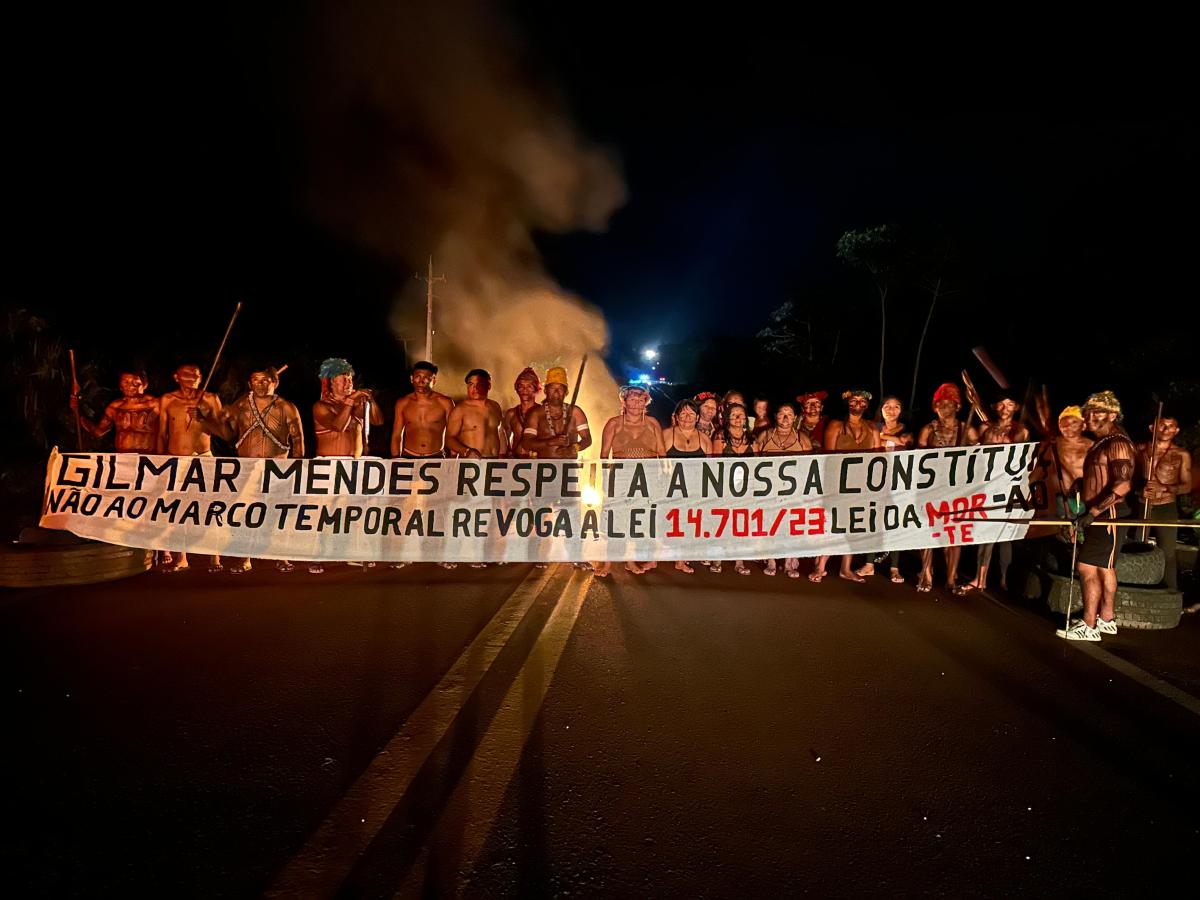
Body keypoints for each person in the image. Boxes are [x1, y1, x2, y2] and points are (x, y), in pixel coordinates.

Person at [196, 366, 303, 574]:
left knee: (277, 513)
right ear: (249, 384)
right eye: (256, 380)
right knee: (245, 513)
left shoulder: (286, 407)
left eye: (266, 381)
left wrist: (296, 467)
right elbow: (227, 434)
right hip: (246, 468)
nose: (261, 385)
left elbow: (298, 439)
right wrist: (207, 419)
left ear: (275, 382)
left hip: (277, 469)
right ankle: (245, 557)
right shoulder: (242, 406)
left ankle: (282, 556)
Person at [1057, 391, 1136, 640]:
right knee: (1103, 568)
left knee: (1087, 566)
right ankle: (1106, 618)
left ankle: (1089, 625)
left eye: (1097, 412)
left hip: (1108, 514)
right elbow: (1103, 477)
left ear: (1112, 415)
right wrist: (1082, 484)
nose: (1090, 417)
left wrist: (1091, 513)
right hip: (1101, 513)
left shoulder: (1117, 443)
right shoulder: (1102, 442)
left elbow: (1123, 485)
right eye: (1088, 412)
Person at [310, 358, 384, 574]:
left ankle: (356, 553)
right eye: (342, 380)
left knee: (356, 511)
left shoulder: (357, 403)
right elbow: (338, 426)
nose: (348, 383)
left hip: (354, 467)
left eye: (350, 379)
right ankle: (318, 556)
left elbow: (378, 421)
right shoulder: (321, 406)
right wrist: (351, 401)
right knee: (326, 514)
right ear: (330, 383)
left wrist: (370, 400)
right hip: (330, 467)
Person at [961, 393, 1031, 594]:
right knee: (985, 531)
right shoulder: (985, 428)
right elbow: (968, 447)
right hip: (986, 486)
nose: (1005, 408)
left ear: (1016, 407)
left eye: (1010, 404)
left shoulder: (1021, 430)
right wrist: (973, 410)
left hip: (1008, 488)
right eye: (1001, 404)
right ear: (995, 406)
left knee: (1005, 535)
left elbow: (1021, 456)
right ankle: (980, 577)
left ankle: (1003, 578)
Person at [157, 363, 224, 573]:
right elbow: (161, 433)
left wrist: (204, 419)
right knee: (177, 508)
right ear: (176, 376)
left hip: (204, 458)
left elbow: (224, 431)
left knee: (210, 506)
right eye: (186, 374)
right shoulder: (168, 400)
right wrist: (159, 463)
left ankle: (215, 556)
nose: (191, 378)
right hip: (176, 459)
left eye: (196, 375)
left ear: (201, 377)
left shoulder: (211, 399)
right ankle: (182, 556)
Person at [916, 383, 979, 593]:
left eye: (949, 404)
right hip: (932, 488)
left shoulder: (967, 429)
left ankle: (951, 576)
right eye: (940, 404)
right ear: (935, 407)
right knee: (928, 531)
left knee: (954, 534)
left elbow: (979, 458)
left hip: (957, 490)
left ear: (957, 406)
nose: (945, 407)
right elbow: (918, 460)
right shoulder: (927, 429)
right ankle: (926, 573)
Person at [595, 383, 663, 578]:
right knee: (615, 520)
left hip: (646, 478)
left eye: (640, 399)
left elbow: (662, 454)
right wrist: (603, 479)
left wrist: (661, 479)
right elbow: (603, 455)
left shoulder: (652, 424)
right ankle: (607, 562)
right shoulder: (614, 424)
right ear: (623, 402)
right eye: (631, 398)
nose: (636, 402)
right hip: (620, 478)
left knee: (637, 520)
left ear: (646, 402)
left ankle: (630, 560)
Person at [813, 390, 881, 583]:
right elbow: (829, 458)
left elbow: (878, 460)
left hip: (862, 486)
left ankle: (846, 568)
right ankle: (820, 566)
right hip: (840, 485)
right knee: (833, 525)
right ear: (847, 403)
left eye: (861, 401)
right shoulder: (836, 426)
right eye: (853, 400)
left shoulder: (872, 428)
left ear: (866, 406)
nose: (857, 404)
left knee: (853, 526)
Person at [754, 402, 814, 577]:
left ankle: (789, 561)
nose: (786, 418)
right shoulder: (764, 436)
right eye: (782, 413)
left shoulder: (802, 439)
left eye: (789, 414)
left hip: (793, 492)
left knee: (791, 525)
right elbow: (754, 462)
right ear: (776, 416)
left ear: (795, 418)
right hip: (769, 491)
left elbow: (810, 466)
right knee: (770, 523)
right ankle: (771, 560)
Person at [857, 396, 912, 583]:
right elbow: (871, 441)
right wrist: (889, 438)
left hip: (898, 481)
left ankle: (895, 567)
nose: (891, 410)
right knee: (873, 520)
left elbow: (906, 442)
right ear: (880, 409)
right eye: (887, 406)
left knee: (894, 522)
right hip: (875, 480)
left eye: (896, 406)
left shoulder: (907, 428)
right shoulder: (874, 427)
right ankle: (869, 563)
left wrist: (884, 438)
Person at [1136, 414, 1191, 593]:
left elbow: (1187, 486)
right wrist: (1138, 490)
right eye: (1162, 425)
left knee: (1167, 552)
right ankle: (1134, 590)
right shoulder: (1139, 449)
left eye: (1170, 426)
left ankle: (1170, 594)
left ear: (1177, 430)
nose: (1166, 430)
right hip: (1141, 505)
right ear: (1152, 428)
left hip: (1166, 507)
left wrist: (1165, 488)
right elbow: (1126, 478)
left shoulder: (1181, 454)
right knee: (1136, 549)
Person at [663, 399, 713, 574]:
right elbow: (656, 463)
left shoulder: (705, 440)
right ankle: (656, 558)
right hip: (670, 488)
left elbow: (711, 468)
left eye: (691, 413)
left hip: (693, 488)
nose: (687, 417)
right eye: (683, 413)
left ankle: (681, 559)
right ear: (676, 417)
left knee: (687, 524)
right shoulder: (667, 435)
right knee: (668, 523)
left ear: (698, 417)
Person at [713, 401, 755, 575]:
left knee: (741, 524)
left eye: (741, 414)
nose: (738, 418)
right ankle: (717, 558)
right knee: (722, 523)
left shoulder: (753, 438)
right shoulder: (720, 437)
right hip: (725, 488)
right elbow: (714, 464)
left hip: (745, 489)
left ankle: (739, 560)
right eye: (733, 415)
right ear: (727, 418)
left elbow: (759, 465)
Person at [72, 371, 159, 453]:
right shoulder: (114, 407)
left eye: (135, 382)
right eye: (126, 382)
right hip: (123, 460)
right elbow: (98, 432)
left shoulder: (156, 405)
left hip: (149, 458)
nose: (130, 386)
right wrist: (77, 412)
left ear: (145, 384)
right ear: (120, 386)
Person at [518, 366, 592, 459]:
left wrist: (573, 448)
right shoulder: (536, 414)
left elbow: (587, 439)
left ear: (566, 392)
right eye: (552, 388)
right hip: (544, 468)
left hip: (569, 469)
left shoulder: (575, 412)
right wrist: (549, 442)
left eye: (560, 388)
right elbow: (526, 443)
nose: (556, 392)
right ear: (545, 391)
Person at [391, 361, 454, 458]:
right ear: (412, 379)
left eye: (426, 378)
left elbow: (453, 435)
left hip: (436, 456)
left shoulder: (445, 403)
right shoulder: (403, 403)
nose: (421, 381)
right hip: (408, 456)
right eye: (418, 377)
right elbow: (396, 435)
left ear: (433, 380)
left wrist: (455, 461)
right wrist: (396, 459)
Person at [446, 369, 508, 460]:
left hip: (494, 461)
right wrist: (466, 451)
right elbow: (449, 439)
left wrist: (502, 456)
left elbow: (500, 432)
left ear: (489, 386)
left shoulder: (495, 406)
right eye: (471, 384)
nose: (475, 388)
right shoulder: (460, 409)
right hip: (470, 461)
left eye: (479, 384)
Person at [503, 367, 541, 459]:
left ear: (536, 390)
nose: (524, 390)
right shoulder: (511, 414)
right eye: (521, 386)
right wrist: (507, 453)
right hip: (516, 460)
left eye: (529, 386)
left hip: (538, 460)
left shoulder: (543, 412)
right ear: (516, 389)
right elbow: (504, 438)